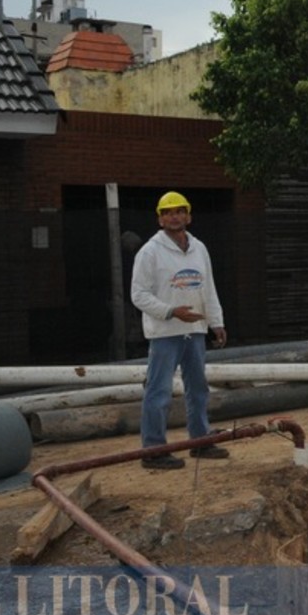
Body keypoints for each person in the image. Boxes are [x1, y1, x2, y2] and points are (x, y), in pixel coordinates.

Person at [130, 190, 229, 470]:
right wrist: (172, 312)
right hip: (165, 333)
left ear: (189, 215)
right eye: (168, 213)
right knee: (158, 391)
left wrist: (215, 322)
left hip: (195, 331)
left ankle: (200, 441)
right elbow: (138, 294)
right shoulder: (150, 252)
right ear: (160, 219)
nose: (174, 217)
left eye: (179, 211)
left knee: (198, 389)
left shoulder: (199, 248)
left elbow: (207, 288)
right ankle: (153, 449)